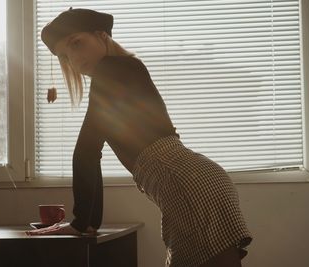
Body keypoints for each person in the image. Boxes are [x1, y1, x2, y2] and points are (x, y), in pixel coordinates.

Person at [25, 7, 253, 267]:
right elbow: (91, 151)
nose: (74, 59)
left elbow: (87, 150)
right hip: (196, 181)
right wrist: (86, 222)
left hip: (187, 185)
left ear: (101, 35)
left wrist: (81, 223)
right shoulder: (126, 68)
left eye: (77, 44)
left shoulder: (110, 70)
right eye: (65, 56)